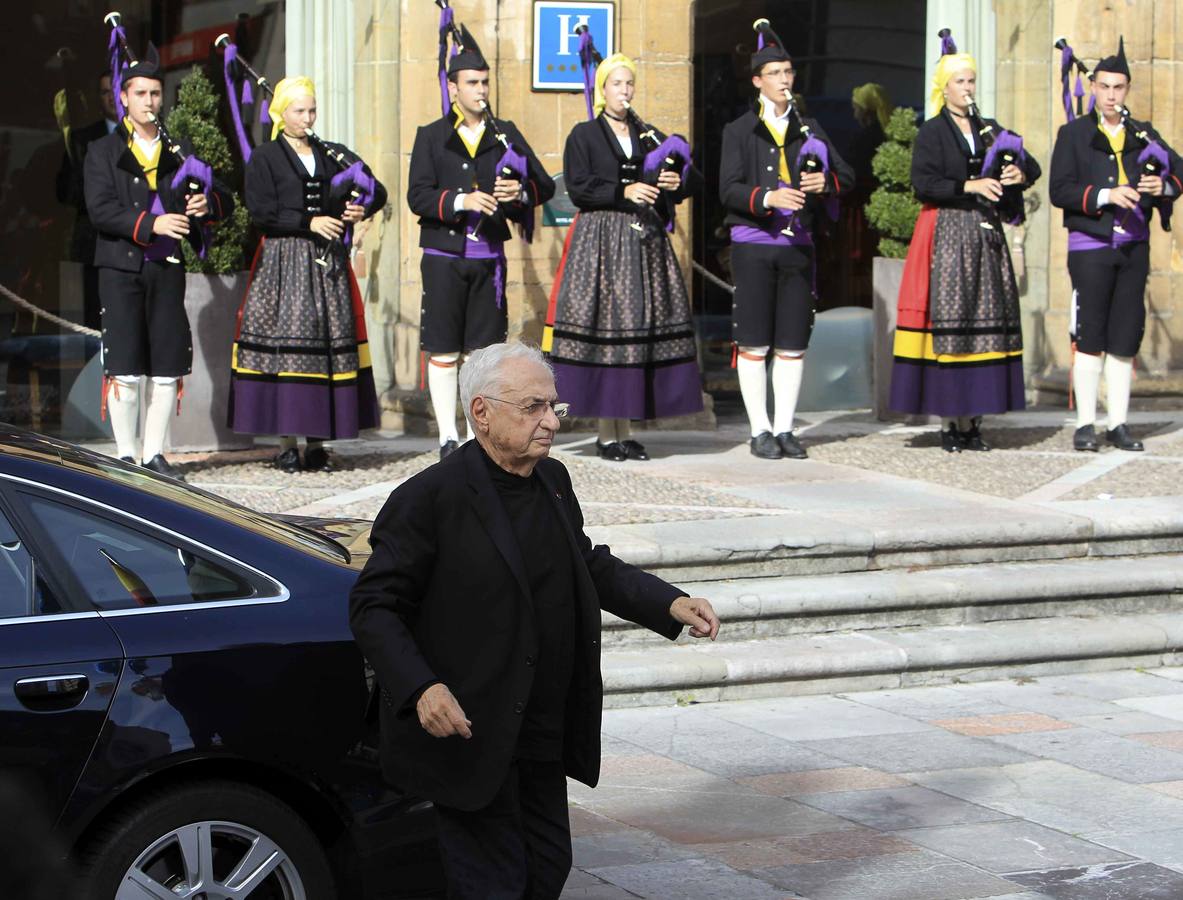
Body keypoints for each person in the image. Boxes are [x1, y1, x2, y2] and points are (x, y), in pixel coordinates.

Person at [349, 341, 720, 900]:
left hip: (540, 726)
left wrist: (666, 603)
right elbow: (373, 605)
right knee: (494, 881)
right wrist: (421, 688)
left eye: (554, 407)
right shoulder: (429, 499)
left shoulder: (552, 481)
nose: (550, 421)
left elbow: (585, 561)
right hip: (469, 728)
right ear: (482, 412)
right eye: (533, 408)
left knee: (548, 865)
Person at [543, 53, 703, 462]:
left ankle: (625, 430)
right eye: (617, 84)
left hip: (643, 243)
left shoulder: (646, 133)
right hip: (601, 241)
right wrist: (623, 192)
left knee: (635, 332)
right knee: (609, 331)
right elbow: (578, 187)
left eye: (629, 83)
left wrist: (673, 180)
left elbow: (692, 179)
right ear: (602, 89)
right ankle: (605, 434)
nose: (625, 91)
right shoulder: (584, 134)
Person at [888, 29, 1041, 451]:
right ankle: (950, 423)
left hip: (985, 237)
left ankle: (974, 422)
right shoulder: (932, 131)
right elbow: (924, 183)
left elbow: (1032, 165)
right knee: (952, 326)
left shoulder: (989, 128)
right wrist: (970, 185)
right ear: (945, 87)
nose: (967, 88)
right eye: (960, 81)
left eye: (971, 81)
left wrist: (1018, 174)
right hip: (950, 234)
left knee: (982, 326)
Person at [84, 46, 234, 478]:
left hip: (166, 268)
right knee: (126, 368)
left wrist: (209, 204)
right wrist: (152, 222)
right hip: (120, 267)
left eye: (155, 93)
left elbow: (220, 192)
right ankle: (126, 455)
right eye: (141, 94)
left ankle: (154, 455)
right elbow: (101, 209)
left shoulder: (178, 147)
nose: (149, 101)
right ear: (124, 98)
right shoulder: (102, 150)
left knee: (167, 366)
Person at [408, 26, 554, 461]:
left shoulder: (503, 132)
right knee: (443, 348)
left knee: (483, 353)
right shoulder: (431, 134)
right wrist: (460, 199)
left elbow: (542, 184)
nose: (481, 90)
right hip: (443, 256)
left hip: (489, 259)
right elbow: (418, 194)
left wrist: (519, 194)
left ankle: (476, 436)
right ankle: (447, 436)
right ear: (452, 87)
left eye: (485, 82)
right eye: (472, 83)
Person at [228, 76, 386, 472]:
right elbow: (260, 211)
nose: (308, 117)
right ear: (281, 114)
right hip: (284, 262)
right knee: (289, 347)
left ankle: (317, 442)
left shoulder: (331, 152)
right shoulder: (265, 157)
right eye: (299, 111)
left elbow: (376, 189)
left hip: (327, 262)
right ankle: (285, 442)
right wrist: (308, 222)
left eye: (312, 110)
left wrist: (357, 210)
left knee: (326, 346)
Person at [719, 20, 852, 460]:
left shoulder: (809, 128)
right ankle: (759, 430)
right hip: (754, 243)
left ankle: (785, 428)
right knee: (755, 341)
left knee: (792, 343)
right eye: (775, 73)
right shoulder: (739, 130)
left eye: (789, 73)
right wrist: (769, 197)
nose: (784, 80)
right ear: (758, 80)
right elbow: (728, 189)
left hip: (798, 247)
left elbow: (846, 176)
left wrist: (823, 183)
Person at [1049, 37, 1182, 452]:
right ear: (1093, 88)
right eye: (1104, 87)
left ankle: (1119, 424)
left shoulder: (1144, 133)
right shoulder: (1072, 133)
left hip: (1133, 248)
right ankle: (1086, 424)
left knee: (1125, 335)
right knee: (1091, 333)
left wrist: (1162, 185)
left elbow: (1177, 171)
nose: (1110, 95)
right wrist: (1106, 196)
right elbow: (1060, 190)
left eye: (1118, 87)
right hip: (1090, 246)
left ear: (1126, 89)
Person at [56, 71, 118, 330]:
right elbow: (65, 192)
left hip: (134, 243)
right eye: (104, 92)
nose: (111, 97)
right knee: (94, 318)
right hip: (93, 242)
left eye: (115, 89)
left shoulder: (145, 135)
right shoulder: (82, 139)